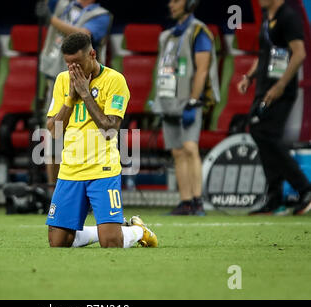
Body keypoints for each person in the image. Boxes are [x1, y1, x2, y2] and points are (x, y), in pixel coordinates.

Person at [45, 32, 157, 248]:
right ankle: (106, 230)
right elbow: (54, 130)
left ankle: (137, 231)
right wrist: (70, 98)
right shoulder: (62, 81)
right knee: (58, 242)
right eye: (68, 64)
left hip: (102, 169)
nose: (72, 70)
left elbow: (110, 128)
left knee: (112, 243)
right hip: (71, 169)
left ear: (92, 54)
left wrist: (86, 94)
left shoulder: (115, 81)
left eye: (77, 63)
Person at [237, 0, 311, 216]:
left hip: (280, 90)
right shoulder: (267, 19)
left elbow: (300, 54)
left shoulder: (289, 17)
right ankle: (274, 196)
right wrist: (249, 76)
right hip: (264, 87)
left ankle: (304, 189)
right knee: (260, 133)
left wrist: (280, 85)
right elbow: (264, 54)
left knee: (266, 134)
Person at [152, 0, 220, 216]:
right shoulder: (167, 36)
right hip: (169, 101)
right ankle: (186, 201)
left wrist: (193, 101)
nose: (171, 5)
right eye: (170, 1)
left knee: (190, 148)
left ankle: (198, 200)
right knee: (177, 152)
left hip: (189, 102)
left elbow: (202, 70)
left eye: (177, 1)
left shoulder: (199, 32)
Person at [36, 0, 112, 188]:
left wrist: (51, 20)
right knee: (54, 135)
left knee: (86, 136)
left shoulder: (101, 15)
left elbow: (83, 36)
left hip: (89, 83)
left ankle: (88, 189)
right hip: (57, 78)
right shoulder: (65, 5)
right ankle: (54, 191)